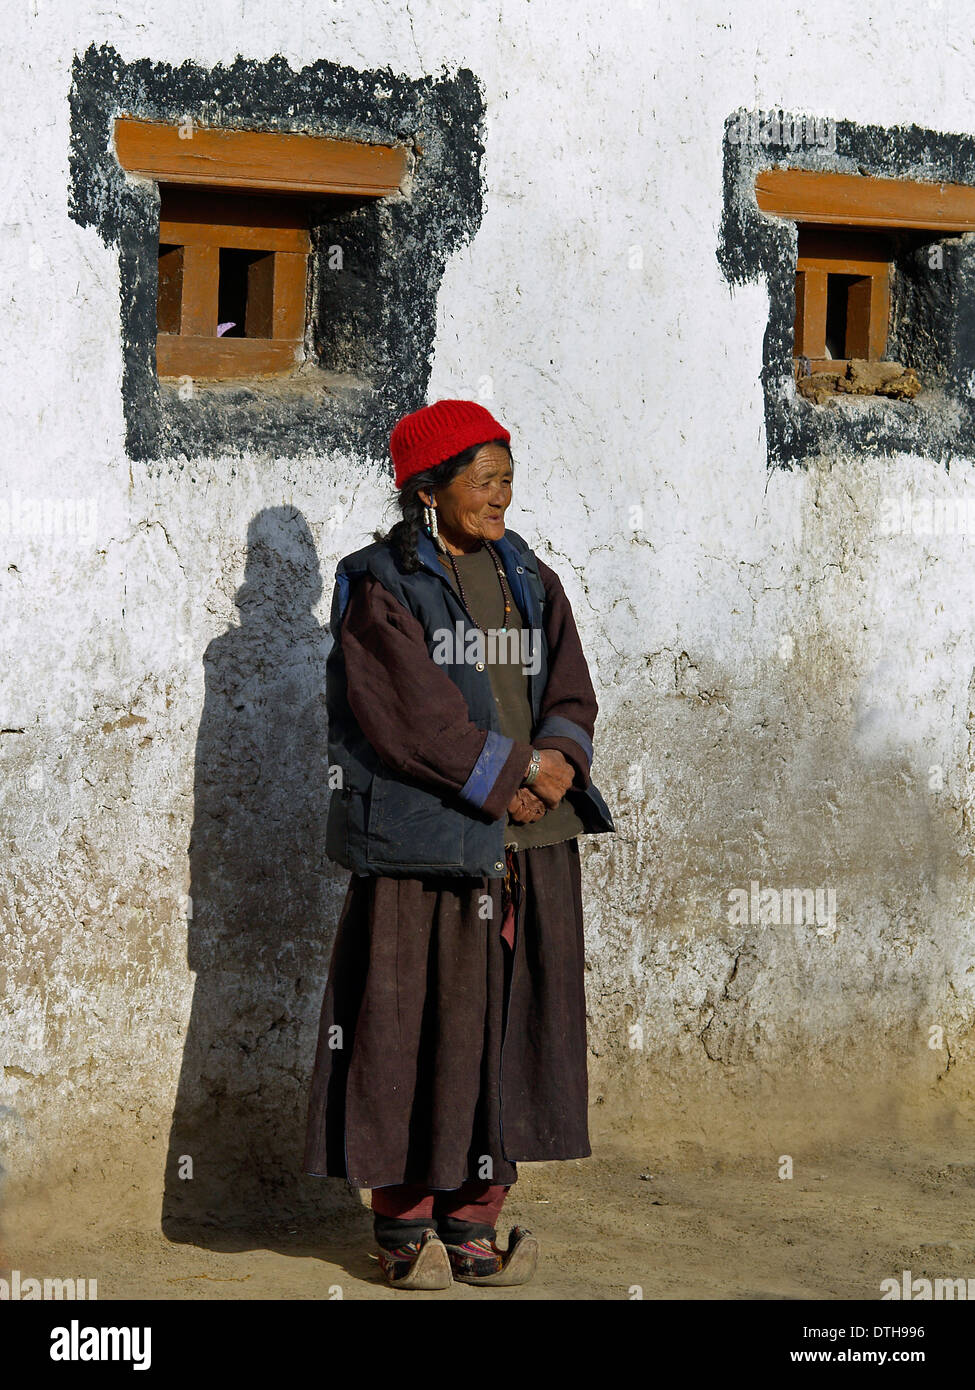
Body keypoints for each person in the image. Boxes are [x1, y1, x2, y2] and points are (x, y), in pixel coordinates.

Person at [303, 399, 615, 1289]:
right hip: (427, 847)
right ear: (427, 488)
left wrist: (555, 762)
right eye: (483, 482)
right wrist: (508, 776)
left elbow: (568, 681)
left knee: (503, 1029)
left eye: (507, 482)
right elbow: (409, 719)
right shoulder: (379, 585)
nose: (499, 501)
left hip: (527, 846)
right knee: (409, 1026)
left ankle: (473, 1227)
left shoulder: (527, 575)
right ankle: (401, 1229)